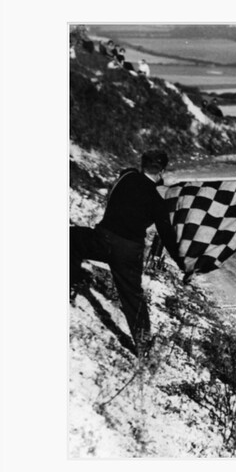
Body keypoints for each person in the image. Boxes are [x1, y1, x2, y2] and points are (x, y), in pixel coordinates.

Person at [70, 149, 183, 356]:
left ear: (142, 165)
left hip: (103, 240)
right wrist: (182, 261)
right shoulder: (157, 198)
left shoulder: (126, 178)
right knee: (133, 297)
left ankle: (72, 285)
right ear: (163, 170)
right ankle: (143, 347)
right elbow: (166, 233)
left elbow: (127, 174)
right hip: (130, 251)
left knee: (71, 239)